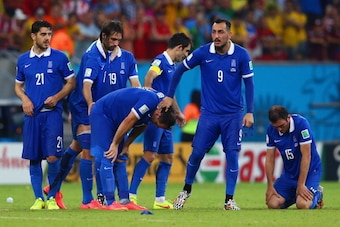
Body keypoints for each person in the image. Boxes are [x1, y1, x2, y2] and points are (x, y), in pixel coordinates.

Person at [44, 20, 142, 210]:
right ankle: (87, 200)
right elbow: (86, 86)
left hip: (108, 110)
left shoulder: (127, 58)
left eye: (119, 40)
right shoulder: (92, 56)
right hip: (84, 105)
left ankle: (53, 187)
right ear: (103, 36)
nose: (116, 43)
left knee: (78, 146)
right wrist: (90, 105)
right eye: (113, 39)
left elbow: (136, 85)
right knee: (89, 148)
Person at [159, 18, 255, 210]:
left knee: (233, 155)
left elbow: (249, 84)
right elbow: (178, 71)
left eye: (220, 32)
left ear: (230, 34)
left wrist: (250, 112)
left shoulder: (242, 55)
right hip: (209, 115)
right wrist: (169, 96)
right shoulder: (203, 53)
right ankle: (186, 190)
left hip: (233, 115)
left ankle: (229, 200)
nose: (216, 36)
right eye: (213, 32)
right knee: (196, 154)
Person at [14, 20, 76, 210]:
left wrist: (57, 97)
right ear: (33, 36)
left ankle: (51, 198)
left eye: (49, 34)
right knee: (34, 158)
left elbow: (71, 82)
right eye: (43, 34)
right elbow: (18, 86)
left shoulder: (59, 58)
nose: (47, 38)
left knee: (52, 157)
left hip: (52, 115)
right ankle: (38, 198)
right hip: (32, 116)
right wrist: (25, 100)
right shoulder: (23, 60)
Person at [129, 32, 191, 209]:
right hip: (156, 117)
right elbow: (149, 75)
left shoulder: (172, 66)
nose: (186, 56)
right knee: (150, 155)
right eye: (186, 51)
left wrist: (178, 113)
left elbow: (169, 95)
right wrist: (148, 94)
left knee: (168, 158)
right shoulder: (161, 60)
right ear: (179, 48)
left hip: (167, 118)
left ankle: (160, 199)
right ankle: (131, 195)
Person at [90, 87, 177, 210]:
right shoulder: (151, 101)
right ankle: (109, 201)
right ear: (158, 113)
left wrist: (126, 145)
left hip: (116, 119)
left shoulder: (159, 106)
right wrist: (115, 144)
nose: (155, 125)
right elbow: (130, 119)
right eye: (157, 123)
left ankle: (125, 201)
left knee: (121, 157)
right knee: (108, 154)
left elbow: (142, 125)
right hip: (103, 114)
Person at [265, 105, 324, 209]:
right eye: (276, 127)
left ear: (288, 118)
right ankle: (295, 195)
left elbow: (306, 155)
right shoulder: (271, 130)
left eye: (281, 125)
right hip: (289, 174)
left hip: (310, 172)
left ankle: (317, 195)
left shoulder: (301, 124)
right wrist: (269, 185)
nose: (279, 129)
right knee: (272, 204)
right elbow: (270, 159)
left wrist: (301, 184)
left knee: (302, 204)